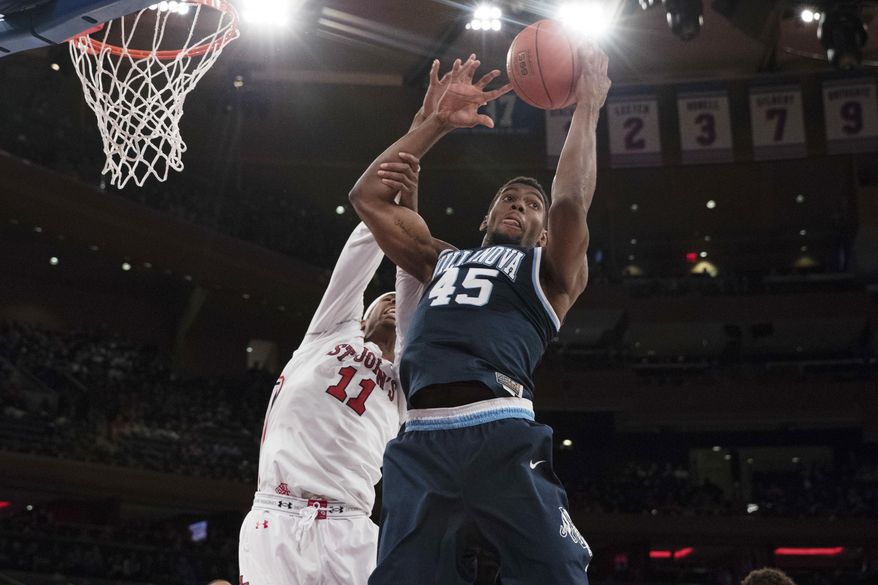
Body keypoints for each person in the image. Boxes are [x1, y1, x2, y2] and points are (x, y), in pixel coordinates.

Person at [349, 44, 610, 584]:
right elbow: (368, 197)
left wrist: (586, 108)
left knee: (560, 574)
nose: (520, 205)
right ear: (487, 213)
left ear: (543, 231)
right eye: (509, 198)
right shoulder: (439, 258)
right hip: (419, 440)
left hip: (500, 432)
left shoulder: (551, 273)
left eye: (530, 205)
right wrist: (435, 123)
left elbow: (569, 204)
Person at [237, 74, 448, 582]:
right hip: (276, 515)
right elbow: (365, 243)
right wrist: (414, 144)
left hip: (349, 529)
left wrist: (409, 214)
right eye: (382, 301)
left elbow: (414, 273)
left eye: (398, 301)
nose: (393, 305)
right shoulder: (330, 332)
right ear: (364, 314)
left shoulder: (406, 379)